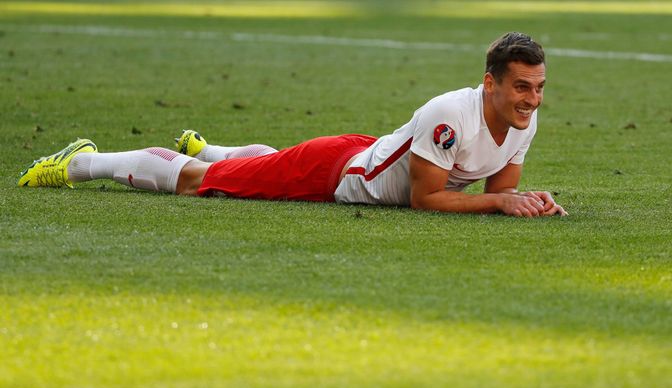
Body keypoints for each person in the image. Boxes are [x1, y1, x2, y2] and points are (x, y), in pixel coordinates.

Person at [18, 32, 567, 218]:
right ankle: (79, 163)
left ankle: (213, 148)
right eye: (522, 87)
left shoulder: (522, 121)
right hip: (336, 174)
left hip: (363, 156)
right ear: (490, 83)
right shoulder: (452, 113)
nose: (532, 99)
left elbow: (501, 192)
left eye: (538, 87)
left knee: (261, 166)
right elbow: (427, 201)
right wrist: (499, 203)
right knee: (196, 185)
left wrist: (524, 200)